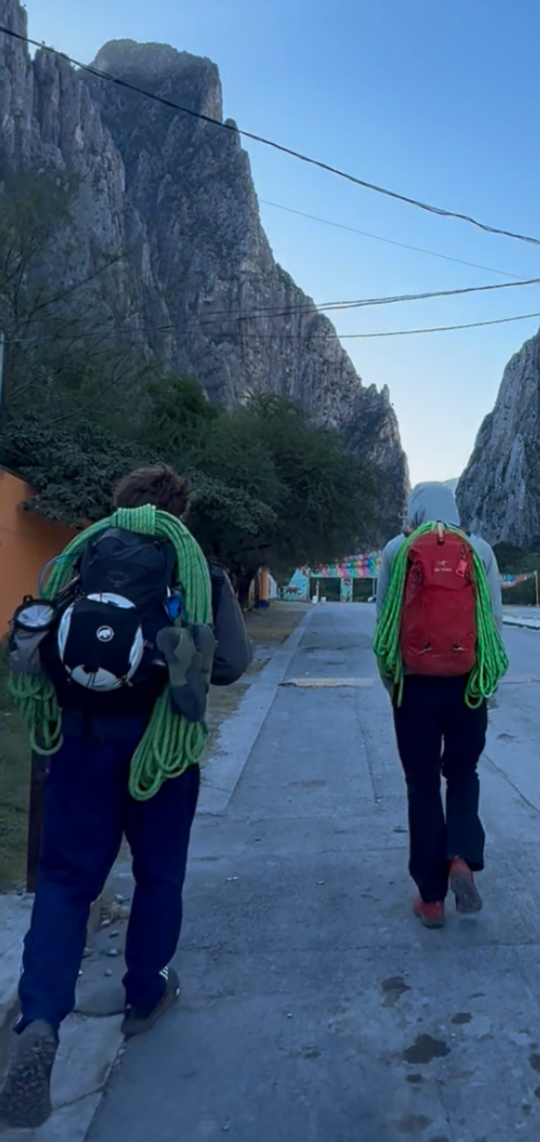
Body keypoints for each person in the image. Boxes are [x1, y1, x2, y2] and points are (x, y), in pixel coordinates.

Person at [0, 465, 251, 1131]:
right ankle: (145, 991)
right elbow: (229, 663)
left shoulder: (76, 560)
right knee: (158, 874)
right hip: (161, 753)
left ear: (119, 506)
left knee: (64, 882)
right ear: (180, 512)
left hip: (80, 747)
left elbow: (38, 649)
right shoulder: (196, 567)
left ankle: (43, 1019)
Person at [374, 483, 505, 929]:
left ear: (415, 508)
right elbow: (493, 623)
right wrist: (487, 686)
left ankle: (431, 900)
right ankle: (462, 859)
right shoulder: (479, 550)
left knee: (423, 785)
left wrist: (393, 683)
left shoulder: (398, 548)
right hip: (467, 683)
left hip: (415, 686)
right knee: (463, 774)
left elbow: (384, 625)